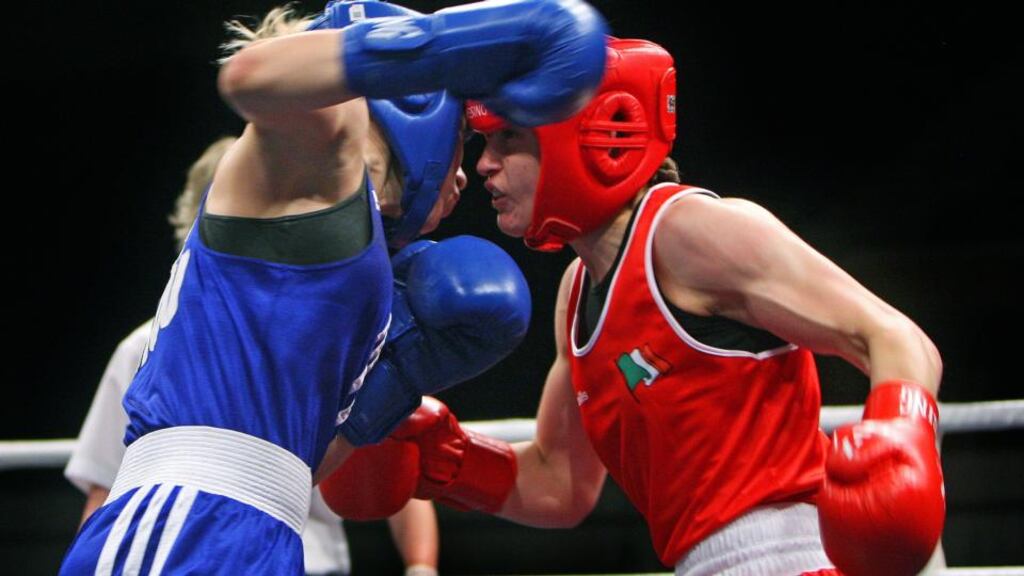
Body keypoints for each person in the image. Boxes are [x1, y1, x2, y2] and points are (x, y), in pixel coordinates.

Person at [325, 38, 946, 576]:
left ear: (584, 136)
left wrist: (901, 437)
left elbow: (894, 338)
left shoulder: (688, 231)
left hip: (802, 553)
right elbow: (558, 484)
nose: (483, 164)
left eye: (507, 139)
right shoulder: (576, 295)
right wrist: (444, 459)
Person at [58, 0, 608, 573]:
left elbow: (291, 465)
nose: (466, 172)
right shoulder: (316, 155)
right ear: (410, 108)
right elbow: (250, 76)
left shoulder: (368, 263)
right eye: (464, 137)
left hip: (268, 527)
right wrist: (451, 46)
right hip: (184, 516)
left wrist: (395, 384)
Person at [64, 136, 441, 576]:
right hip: (187, 528)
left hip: (289, 549)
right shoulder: (142, 347)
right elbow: (103, 488)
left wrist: (421, 565)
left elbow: (388, 463)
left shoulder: (337, 339)